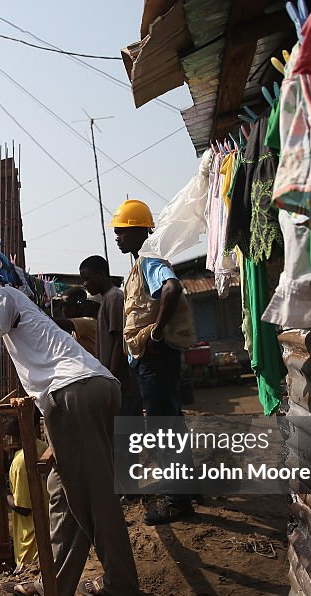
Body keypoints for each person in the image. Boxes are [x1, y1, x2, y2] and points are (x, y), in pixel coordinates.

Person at [0, 287, 139, 596]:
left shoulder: (4, 296)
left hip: (74, 392)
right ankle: (54, 584)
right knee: (63, 492)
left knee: (96, 495)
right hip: (93, 388)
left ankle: (121, 583)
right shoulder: (26, 331)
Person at [110, 199, 197, 526]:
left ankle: (176, 503)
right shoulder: (139, 263)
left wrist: (156, 333)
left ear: (137, 231)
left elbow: (171, 288)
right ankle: (185, 490)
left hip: (155, 358)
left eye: (121, 232)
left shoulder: (149, 259)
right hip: (151, 359)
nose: (117, 238)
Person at [0, 414, 50, 574]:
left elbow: (23, 508)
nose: (5, 419)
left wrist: (0, 490)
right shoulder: (41, 447)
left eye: (11, 416)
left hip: (31, 548)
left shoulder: (22, 461)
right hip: (43, 537)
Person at [79, 255, 143, 417]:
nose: (85, 285)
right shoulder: (107, 299)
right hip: (116, 382)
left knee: (127, 435)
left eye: (87, 279)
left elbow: (119, 340)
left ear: (101, 274)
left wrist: (111, 377)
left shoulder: (114, 298)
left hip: (122, 383)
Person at [52, 286, 98, 357]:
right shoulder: (76, 326)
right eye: (62, 306)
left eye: (67, 305)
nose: (63, 310)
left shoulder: (88, 322)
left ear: (81, 305)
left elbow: (55, 322)